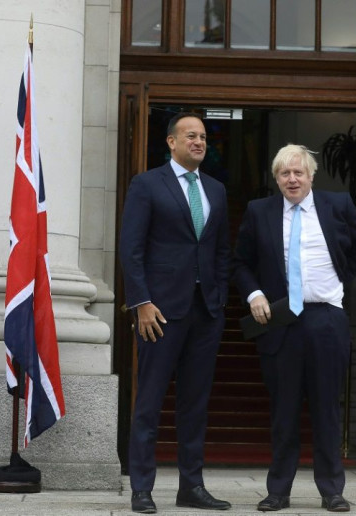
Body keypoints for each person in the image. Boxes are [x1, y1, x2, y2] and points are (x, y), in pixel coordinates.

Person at [232, 144, 356, 513]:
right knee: (284, 411)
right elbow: (240, 262)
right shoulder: (259, 211)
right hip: (280, 322)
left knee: (327, 409)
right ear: (276, 178)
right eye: (284, 173)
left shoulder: (337, 205)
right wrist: (255, 294)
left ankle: (332, 491)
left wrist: (338, 284)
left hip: (326, 319)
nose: (292, 179)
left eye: (298, 172)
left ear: (311, 175)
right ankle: (278, 491)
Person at [119, 112, 232, 514]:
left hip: (205, 313)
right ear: (171, 142)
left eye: (202, 136)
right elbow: (130, 249)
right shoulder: (147, 184)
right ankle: (142, 489)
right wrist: (141, 302)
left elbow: (220, 251)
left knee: (195, 404)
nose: (199, 141)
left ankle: (192, 487)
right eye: (190, 136)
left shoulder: (216, 190)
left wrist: (218, 300)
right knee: (149, 401)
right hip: (160, 312)